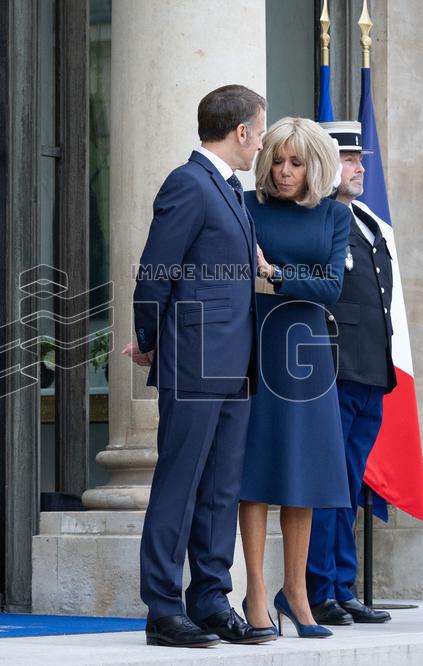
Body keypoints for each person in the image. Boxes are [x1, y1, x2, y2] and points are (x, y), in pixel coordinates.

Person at [122, 84, 274, 648]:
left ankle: (210, 599)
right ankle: (163, 608)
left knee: (220, 488)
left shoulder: (231, 192)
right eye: (260, 132)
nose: (260, 143)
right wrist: (147, 338)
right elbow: (153, 271)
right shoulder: (188, 183)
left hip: (235, 361)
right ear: (241, 132)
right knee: (180, 483)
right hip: (194, 358)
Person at [238, 117, 352, 639]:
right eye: (277, 161)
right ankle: (257, 593)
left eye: (296, 163)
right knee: (256, 473)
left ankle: (298, 592)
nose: (284, 172)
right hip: (256, 341)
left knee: (302, 474)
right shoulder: (248, 207)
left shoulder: (333, 214)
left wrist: (276, 273)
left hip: (307, 352)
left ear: (315, 167)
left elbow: (331, 290)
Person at [305, 120, 394, 626]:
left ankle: (343, 585)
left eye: (360, 158)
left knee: (351, 483)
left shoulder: (366, 221)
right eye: (349, 158)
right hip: (333, 370)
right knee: (329, 483)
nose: (361, 166)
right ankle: (321, 589)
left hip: (369, 371)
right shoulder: (316, 220)